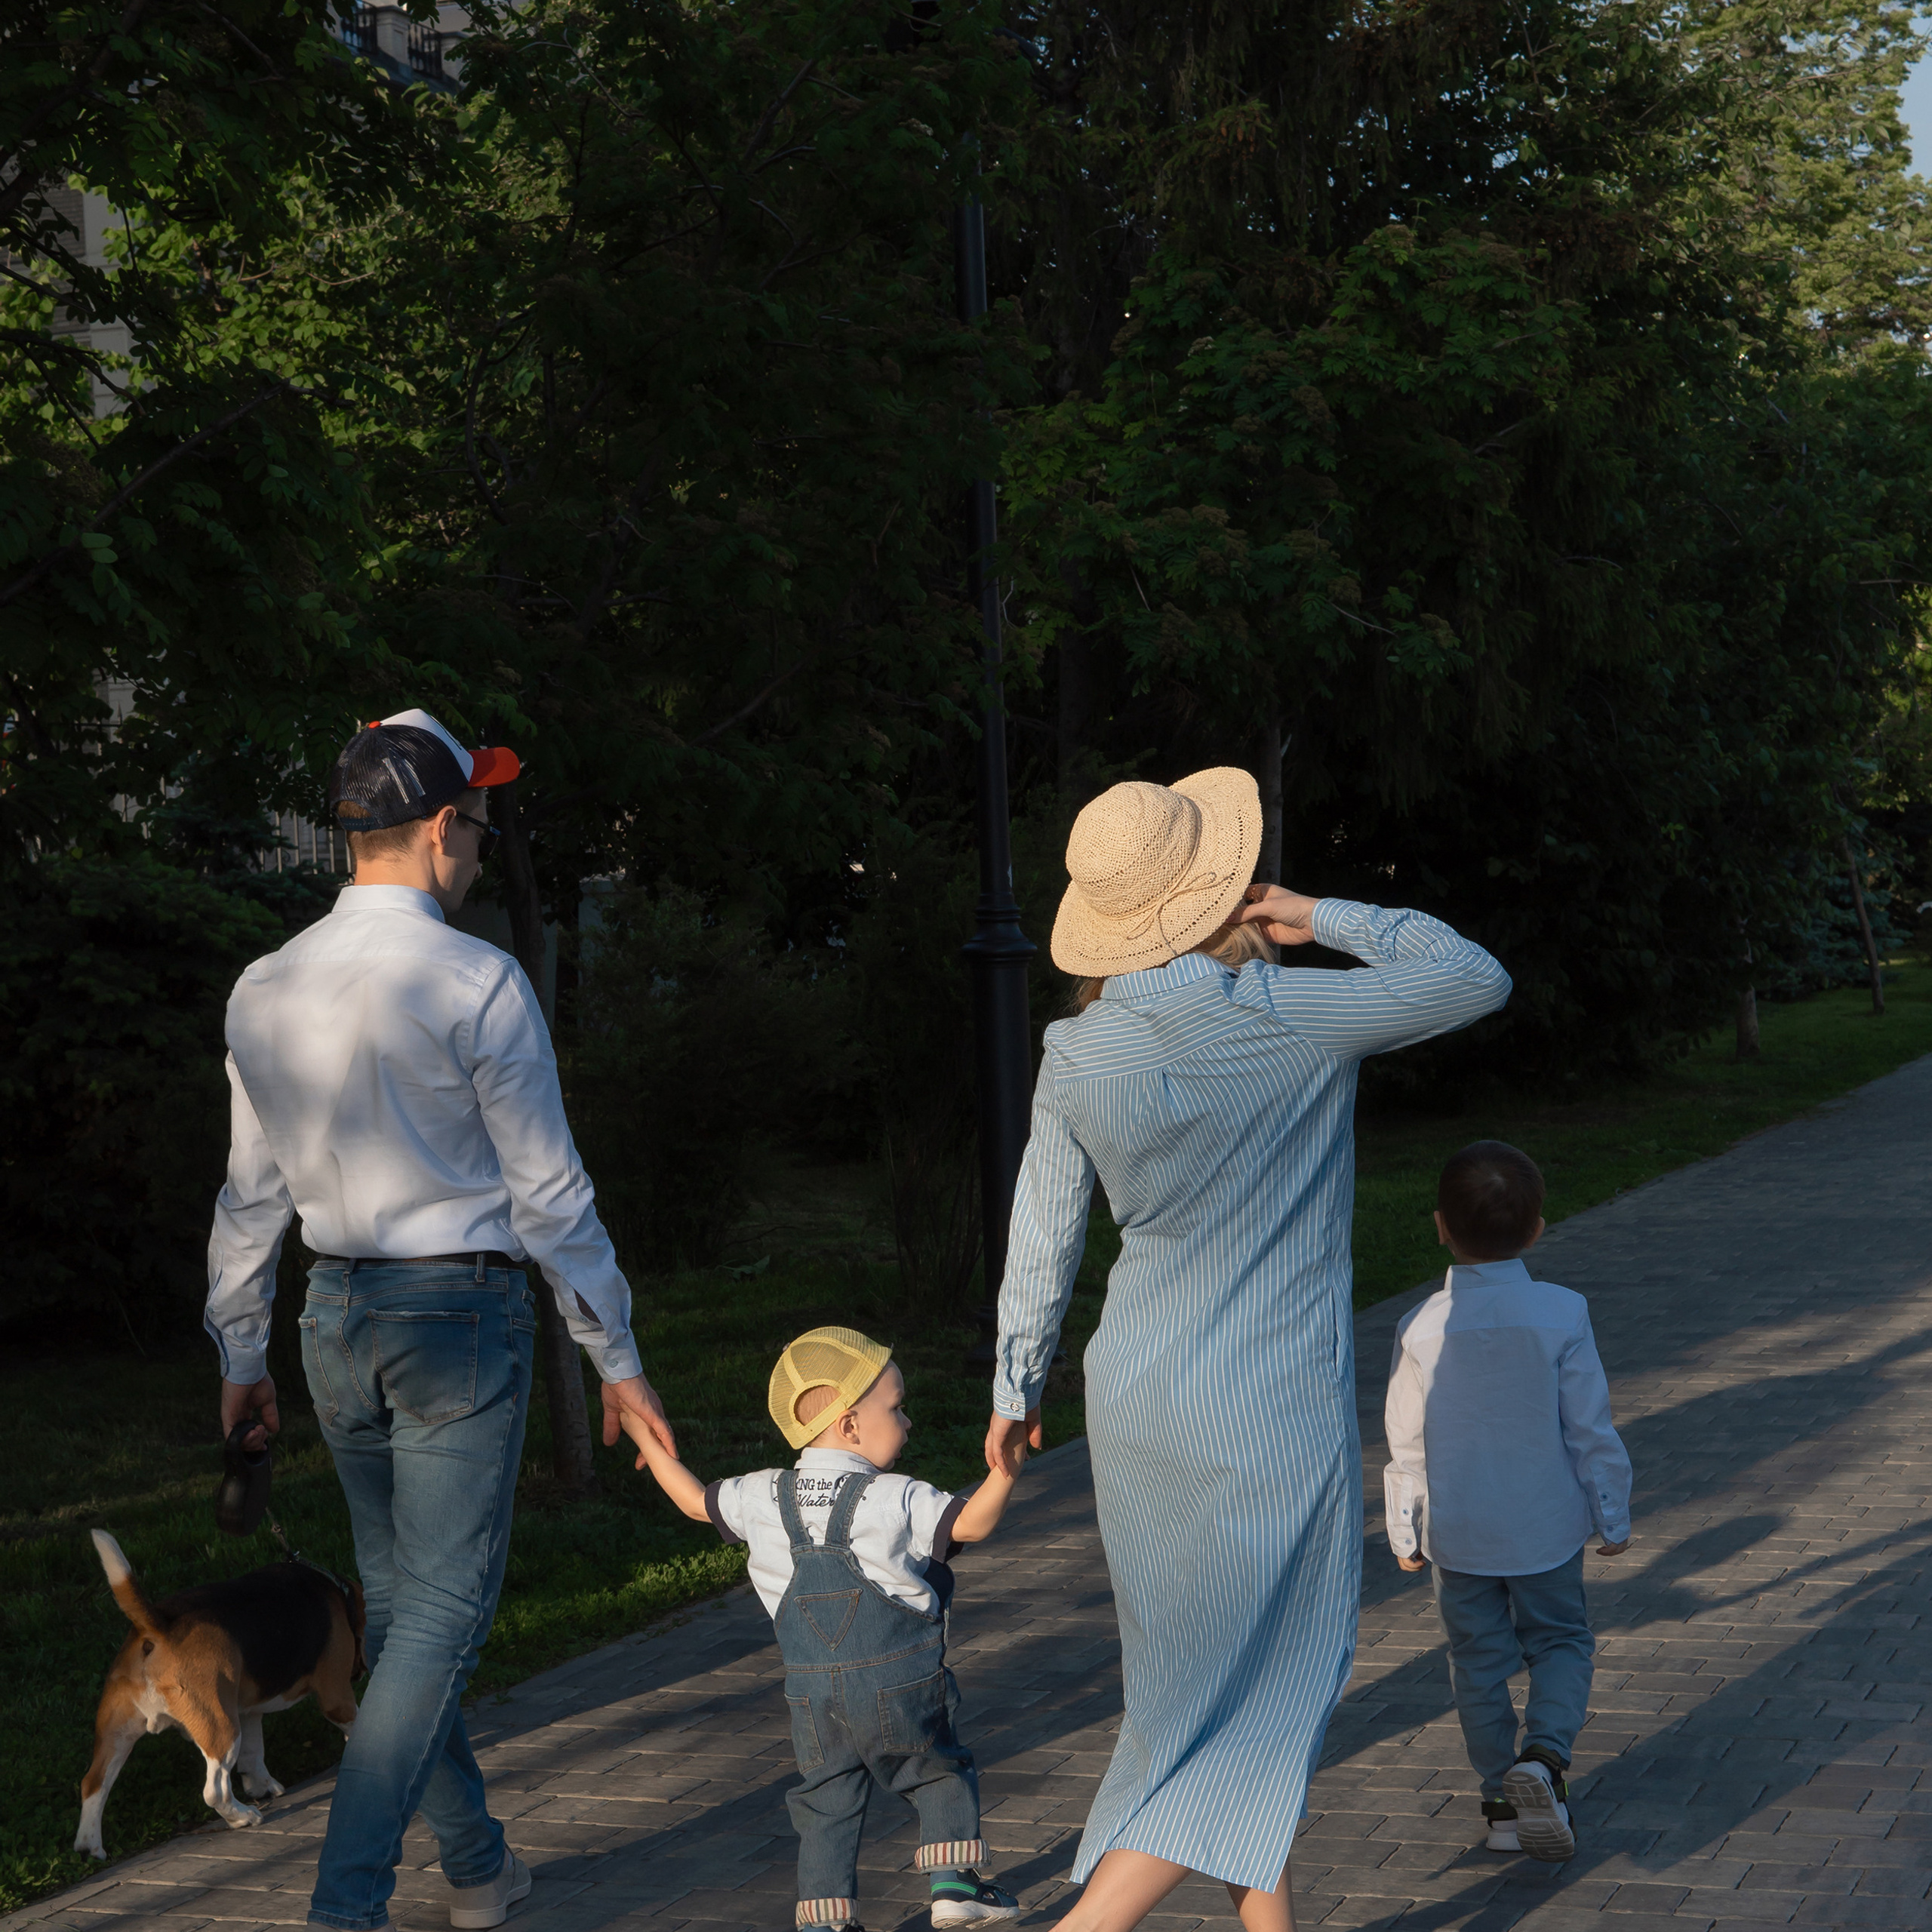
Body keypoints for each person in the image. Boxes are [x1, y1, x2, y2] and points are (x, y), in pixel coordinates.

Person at [987, 768, 1512, 1932]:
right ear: (1223, 891)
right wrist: (1321, 914)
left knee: (1192, 1694)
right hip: (1262, 1408)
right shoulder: (1291, 1015)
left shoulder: (1078, 1053)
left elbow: (1041, 1232)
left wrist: (1014, 1384)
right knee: (1266, 1695)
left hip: (1135, 1401)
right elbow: (1475, 976)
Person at [204, 709, 676, 1932]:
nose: (480, 843)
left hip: (336, 1320)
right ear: (432, 829)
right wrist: (616, 1359)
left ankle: (476, 1869)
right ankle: (346, 1908)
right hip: (456, 1318)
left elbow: (249, 1193)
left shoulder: (266, 986)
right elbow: (551, 1196)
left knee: (405, 1619)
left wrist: (243, 1352)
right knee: (434, 1629)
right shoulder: (477, 980)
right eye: (476, 819)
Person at [623, 1327, 1021, 1930]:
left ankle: (826, 1919)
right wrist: (1009, 1468)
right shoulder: (893, 1497)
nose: (908, 1421)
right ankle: (954, 1885)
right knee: (936, 1767)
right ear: (850, 1425)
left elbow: (691, 1502)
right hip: (899, 1685)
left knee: (826, 1802)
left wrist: (648, 1445)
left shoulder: (761, 1492)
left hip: (812, 1699)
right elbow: (971, 1525)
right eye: (896, 1406)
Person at [1383, 1141, 1634, 1863]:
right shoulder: (1563, 1313)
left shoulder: (1420, 1327)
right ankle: (1545, 1762)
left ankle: (1500, 1804)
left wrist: (1406, 1532)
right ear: (1537, 1230)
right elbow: (1588, 1425)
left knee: (1477, 1661)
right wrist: (1610, 1513)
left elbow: (1407, 1442)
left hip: (1458, 1535)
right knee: (1559, 1641)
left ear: (1439, 1226)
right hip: (1544, 1528)